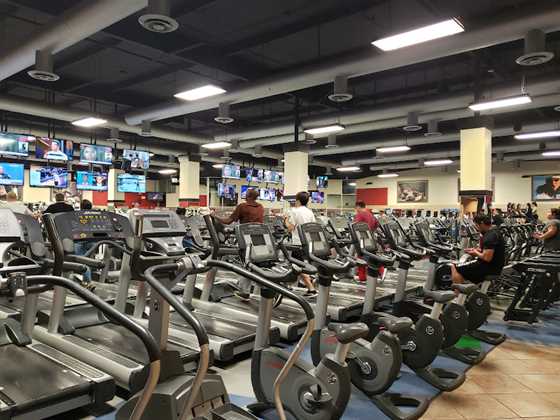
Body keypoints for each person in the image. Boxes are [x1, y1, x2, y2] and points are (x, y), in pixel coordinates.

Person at [215, 188, 264, 300]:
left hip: (246, 238)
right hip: (260, 238)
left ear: (248, 196)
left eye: (246, 194)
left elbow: (228, 221)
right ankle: (251, 286)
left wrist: (214, 215)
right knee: (254, 263)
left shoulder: (242, 206)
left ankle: (245, 291)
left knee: (247, 264)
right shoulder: (260, 207)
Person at [451, 214, 505, 285]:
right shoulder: (494, 232)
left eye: (476, 225)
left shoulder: (490, 236)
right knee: (463, 267)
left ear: (482, 223)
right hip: (494, 267)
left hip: (488, 268)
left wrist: (475, 253)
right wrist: (476, 250)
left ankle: (457, 291)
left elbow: (487, 258)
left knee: (455, 267)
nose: (476, 228)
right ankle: (465, 288)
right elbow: (488, 251)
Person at [285, 191, 316, 295]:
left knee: (297, 265)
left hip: (298, 243)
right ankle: (288, 285)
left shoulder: (295, 211)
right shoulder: (310, 212)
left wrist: (285, 220)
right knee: (297, 264)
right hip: (308, 242)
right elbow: (313, 226)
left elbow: (290, 228)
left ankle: (311, 289)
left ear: (297, 201)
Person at [354, 201, 380, 282]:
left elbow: (356, 226)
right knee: (370, 256)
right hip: (371, 238)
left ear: (358, 206)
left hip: (362, 239)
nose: (356, 209)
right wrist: (371, 232)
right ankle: (379, 272)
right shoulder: (370, 214)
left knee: (361, 257)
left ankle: (362, 277)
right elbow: (377, 224)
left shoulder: (360, 214)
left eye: (356, 208)